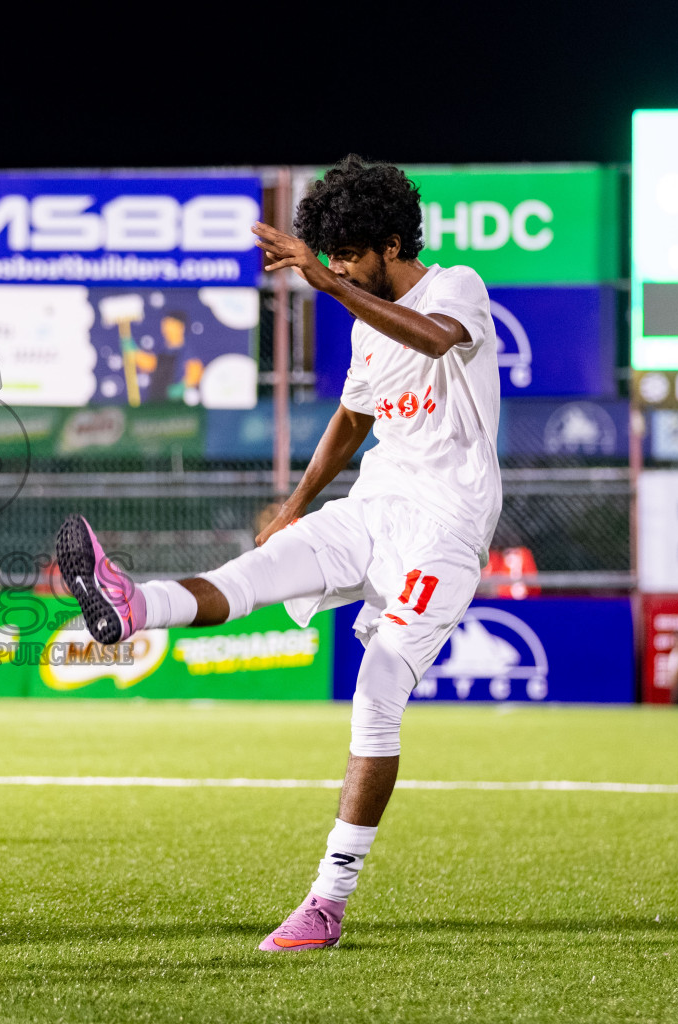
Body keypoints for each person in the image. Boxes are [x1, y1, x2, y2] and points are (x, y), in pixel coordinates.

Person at [55, 155, 501, 952]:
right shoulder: (367, 323)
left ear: (392, 242)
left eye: (348, 254)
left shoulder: (454, 287)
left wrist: (326, 286)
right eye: (328, 256)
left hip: (445, 528)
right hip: (374, 507)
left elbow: (435, 343)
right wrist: (295, 506)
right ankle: (132, 606)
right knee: (253, 574)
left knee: (378, 687)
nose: (335, 267)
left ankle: (327, 901)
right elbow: (353, 422)